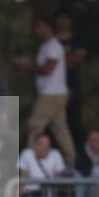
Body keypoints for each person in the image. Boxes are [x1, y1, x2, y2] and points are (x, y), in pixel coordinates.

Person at [17, 17, 76, 167]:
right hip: (54, 94)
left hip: (51, 95)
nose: (37, 30)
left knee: (35, 125)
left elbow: (47, 69)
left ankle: (28, 165)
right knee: (61, 131)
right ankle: (73, 162)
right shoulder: (46, 46)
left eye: (40, 27)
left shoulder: (53, 46)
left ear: (49, 28)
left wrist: (28, 67)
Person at [18, 133, 68, 197]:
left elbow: (60, 176)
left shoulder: (56, 154)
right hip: (31, 193)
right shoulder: (27, 154)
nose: (45, 148)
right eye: (42, 144)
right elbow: (23, 176)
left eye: (47, 145)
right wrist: (18, 195)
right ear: (35, 145)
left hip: (50, 191)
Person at [54, 9, 88, 145]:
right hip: (54, 88)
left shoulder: (76, 39)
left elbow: (78, 59)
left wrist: (57, 61)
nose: (62, 22)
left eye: (65, 19)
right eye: (59, 19)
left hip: (72, 85)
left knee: (74, 121)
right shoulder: (51, 41)